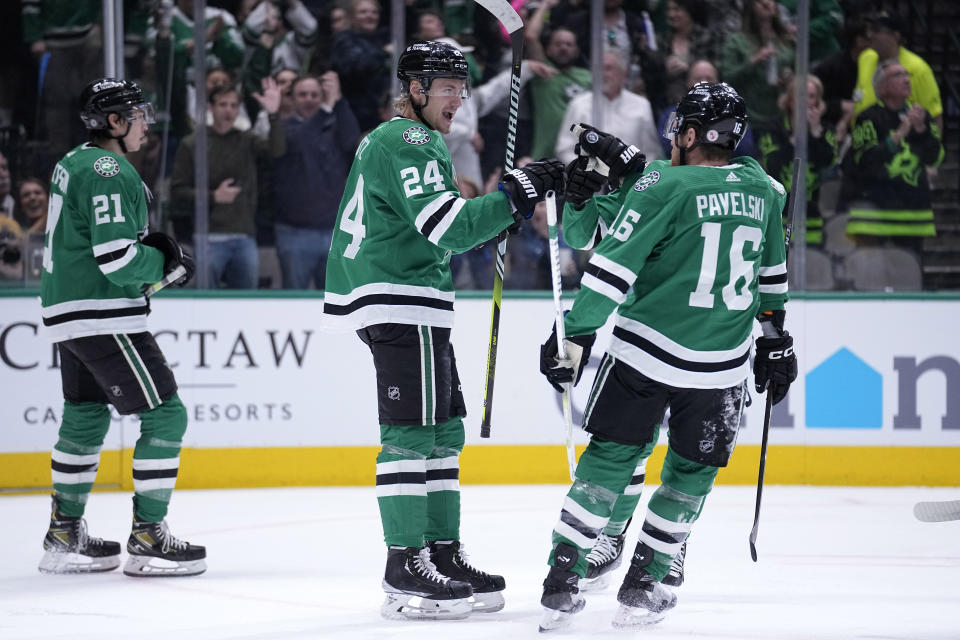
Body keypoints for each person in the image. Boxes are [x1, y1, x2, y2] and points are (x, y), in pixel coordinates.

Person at [536, 82, 797, 631]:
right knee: (690, 475)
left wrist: (576, 335)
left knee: (608, 461)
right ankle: (646, 578)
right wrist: (775, 340)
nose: (671, 132)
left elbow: (609, 268)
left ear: (693, 132)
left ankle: (564, 574)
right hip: (721, 363)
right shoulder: (766, 189)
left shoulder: (661, 183)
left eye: (680, 125)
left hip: (644, 353)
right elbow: (771, 277)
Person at [323, 41, 564, 620]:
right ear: (414, 90)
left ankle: (440, 552)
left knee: (442, 431)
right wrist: (515, 195)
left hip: (412, 299)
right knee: (410, 434)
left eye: (462, 87)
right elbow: (448, 227)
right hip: (400, 297)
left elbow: (443, 225)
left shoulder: (405, 142)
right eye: (447, 87)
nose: (458, 98)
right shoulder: (408, 139)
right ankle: (404, 563)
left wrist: (515, 195)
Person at [37, 78, 204, 577]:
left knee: (86, 416)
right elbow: (116, 257)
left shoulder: (72, 162)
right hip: (102, 312)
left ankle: (64, 534)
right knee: (166, 416)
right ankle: (149, 536)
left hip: (67, 309)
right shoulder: (110, 169)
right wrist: (164, 264)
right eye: (136, 114)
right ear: (113, 122)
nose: (145, 123)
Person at [171, 81, 285, 289]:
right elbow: (177, 191)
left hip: (244, 235)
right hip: (208, 236)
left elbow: (276, 151)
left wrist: (273, 114)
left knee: (247, 302)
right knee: (207, 300)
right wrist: (214, 196)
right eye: (223, 104)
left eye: (234, 105)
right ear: (210, 107)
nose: (229, 110)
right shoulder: (193, 143)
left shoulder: (246, 139)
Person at [844, 61, 943, 257]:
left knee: (911, 279)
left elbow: (936, 157)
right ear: (882, 87)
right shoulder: (868, 117)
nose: (906, 79)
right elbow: (863, 162)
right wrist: (897, 137)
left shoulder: (921, 116)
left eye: (907, 75)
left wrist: (922, 130)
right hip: (875, 216)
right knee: (871, 279)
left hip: (913, 217)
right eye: (898, 75)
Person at [273, 72, 360, 289]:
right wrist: (325, 109)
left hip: (334, 230)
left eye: (314, 94)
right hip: (294, 232)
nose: (309, 99)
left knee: (334, 303)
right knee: (293, 303)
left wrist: (339, 100)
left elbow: (351, 141)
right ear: (292, 98)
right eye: (302, 95)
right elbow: (302, 141)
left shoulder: (333, 123)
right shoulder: (283, 129)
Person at [756, 75, 838, 245]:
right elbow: (772, 163)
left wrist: (815, 133)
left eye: (812, 96)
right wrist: (796, 138)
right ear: (790, 101)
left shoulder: (825, 130)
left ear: (818, 102)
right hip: (777, 212)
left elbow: (828, 162)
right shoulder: (772, 128)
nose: (807, 101)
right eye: (801, 95)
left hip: (810, 213)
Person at [556, 49, 664, 166]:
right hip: (588, 179)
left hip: (630, 179)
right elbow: (564, 149)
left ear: (624, 73)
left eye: (608, 68)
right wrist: (589, 170)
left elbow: (650, 152)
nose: (602, 74)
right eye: (598, 69)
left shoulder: (641, 105)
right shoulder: (578, 104)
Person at [852, 10, 942, 130]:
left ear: (896, 35)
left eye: (877, 31)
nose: (870, 35)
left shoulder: (918, 68)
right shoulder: (865, 58)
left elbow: (934, 116)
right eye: (870, 30)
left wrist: (932, 146)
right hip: (863, 140)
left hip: (900, 143)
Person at [720, 0, 795, 130]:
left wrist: (789, 79)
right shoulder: (736, 41)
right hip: (749, 117)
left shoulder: (786, 40)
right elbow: (727, 78)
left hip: (781, 115)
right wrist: (753, 62)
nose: (766, 3)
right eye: (760, 1)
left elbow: (800, 74)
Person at [528, 28, 592, 161]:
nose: (563, 48)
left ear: (576, 51)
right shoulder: (542, 71)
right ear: (548, 49)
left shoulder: (588, 77)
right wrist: (545, 6)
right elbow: (530, 36)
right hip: (545, 158)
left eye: (569, 44)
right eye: (558, 44)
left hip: (579, 155)